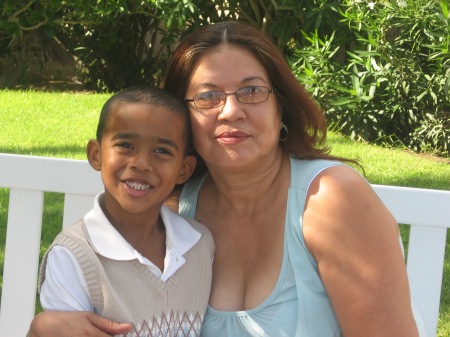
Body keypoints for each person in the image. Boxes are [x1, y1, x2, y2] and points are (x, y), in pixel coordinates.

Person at [28, 21, 421, 337]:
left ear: (279, 108)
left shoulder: (331, 200)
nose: (231, 110)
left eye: (251, 91)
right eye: (208, 96)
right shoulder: (172, 214)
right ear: (180, 122)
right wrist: (48, 327)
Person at [36, 86, 214, 336]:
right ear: (96, 155)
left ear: (184, 170)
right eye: (126, 145)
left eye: (162, 151)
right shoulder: (74, 256)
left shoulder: (200, 245)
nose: (141, 163)